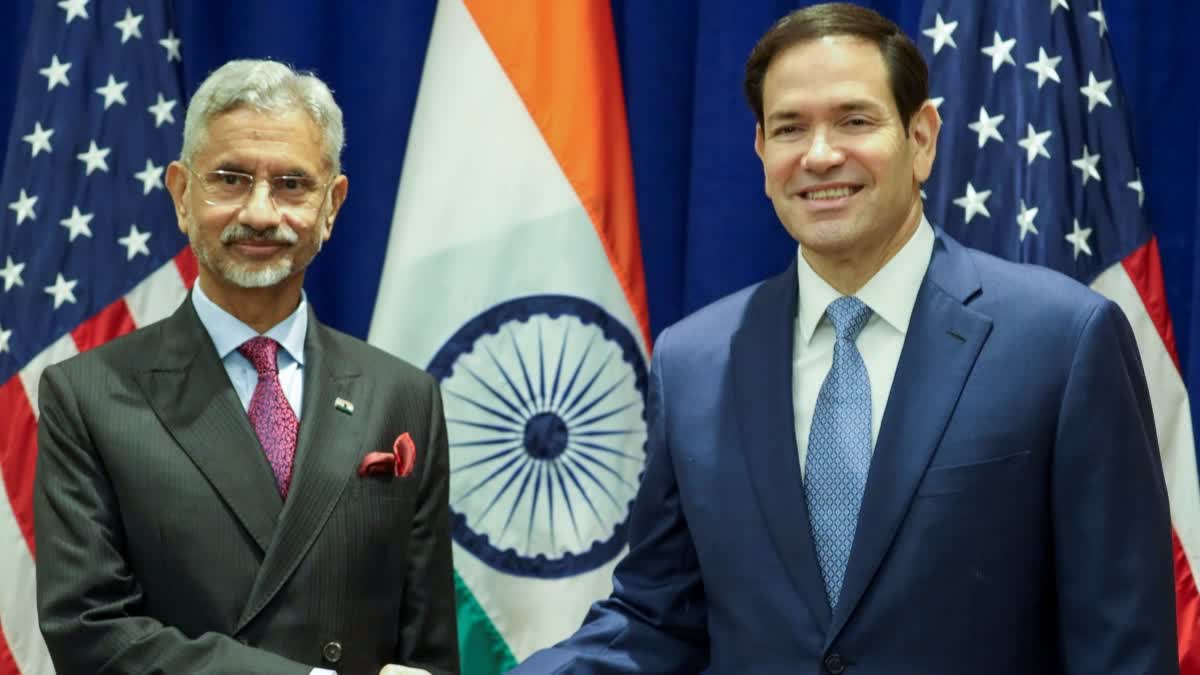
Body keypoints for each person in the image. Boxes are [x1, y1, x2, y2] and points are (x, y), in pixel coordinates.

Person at [515, 4, 1178, 674]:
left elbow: (1121, 642)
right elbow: (655, 620)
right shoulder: (694, 363)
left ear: (922, 137)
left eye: (854, 120)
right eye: (789, 129)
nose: (820, 154)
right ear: (761, 152)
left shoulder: (1062, 340)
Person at [34, 60, 458, 675]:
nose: (260, 213)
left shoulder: (403, 397)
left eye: (292, 185)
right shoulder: (89, 396)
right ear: (182, 194)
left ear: (332, 204)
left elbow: (429, 653)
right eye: (230, 180)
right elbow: (89, 632)